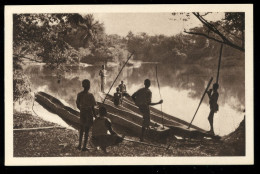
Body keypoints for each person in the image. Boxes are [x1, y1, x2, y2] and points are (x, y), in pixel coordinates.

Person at [76, 79, 97, 151]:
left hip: (82, 113)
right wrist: (95, 116)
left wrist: (81, 109)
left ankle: (79, 145)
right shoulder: (90, 95)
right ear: (88, 86)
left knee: (81, 129)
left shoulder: (79, 94)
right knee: (87, 131)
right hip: (89, 114)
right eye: (89, 85)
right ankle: (84, 147)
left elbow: (77, 105)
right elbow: (93, 107)